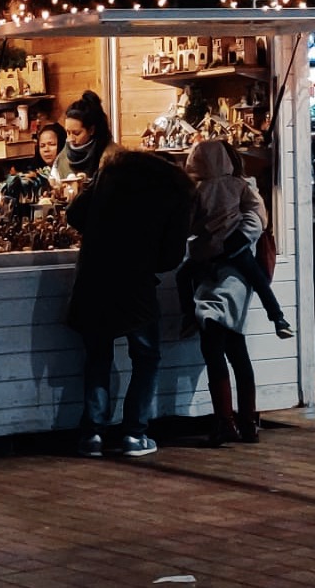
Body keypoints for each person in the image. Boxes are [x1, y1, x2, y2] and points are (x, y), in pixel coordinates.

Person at [65, 110, 195, 459]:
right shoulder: (176, 192)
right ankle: (134, 435)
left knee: (97, 357)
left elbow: (74, 214)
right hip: (136, 285)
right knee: (146, 356)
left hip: (94, 278)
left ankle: (92, 435)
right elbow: (171, 257)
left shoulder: (110, 175)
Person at [177, 139, 291, 447]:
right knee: (236, 349)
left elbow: (188, 226)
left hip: (216, 272)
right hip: (232, 270)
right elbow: (256, 219)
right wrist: (234, 242)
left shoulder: (201, 191)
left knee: (214, 347)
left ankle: (226, 421)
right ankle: (246, 421)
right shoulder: (241, 186)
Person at [176, 139, 293, 340]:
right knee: (258, 279)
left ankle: (189, 317)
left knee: (183, 276)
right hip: (236, 246)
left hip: (207, 251)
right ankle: (278, 319)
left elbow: (187, 223)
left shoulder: (196, 191)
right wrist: (240, 236)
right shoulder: (239, 184)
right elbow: (257, 213)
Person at [0, 122, 66, 209]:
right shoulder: (35, 173)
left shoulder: (66, 171)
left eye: (52, 144)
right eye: (42, 146)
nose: (46, 149)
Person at [50, 91, 110, 185]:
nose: (71, 139)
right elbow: (54, 181)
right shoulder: (63, 156)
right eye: (68, 132)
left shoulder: (110, 156)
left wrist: (87, 183)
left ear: (91, 130)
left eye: (76, 133)